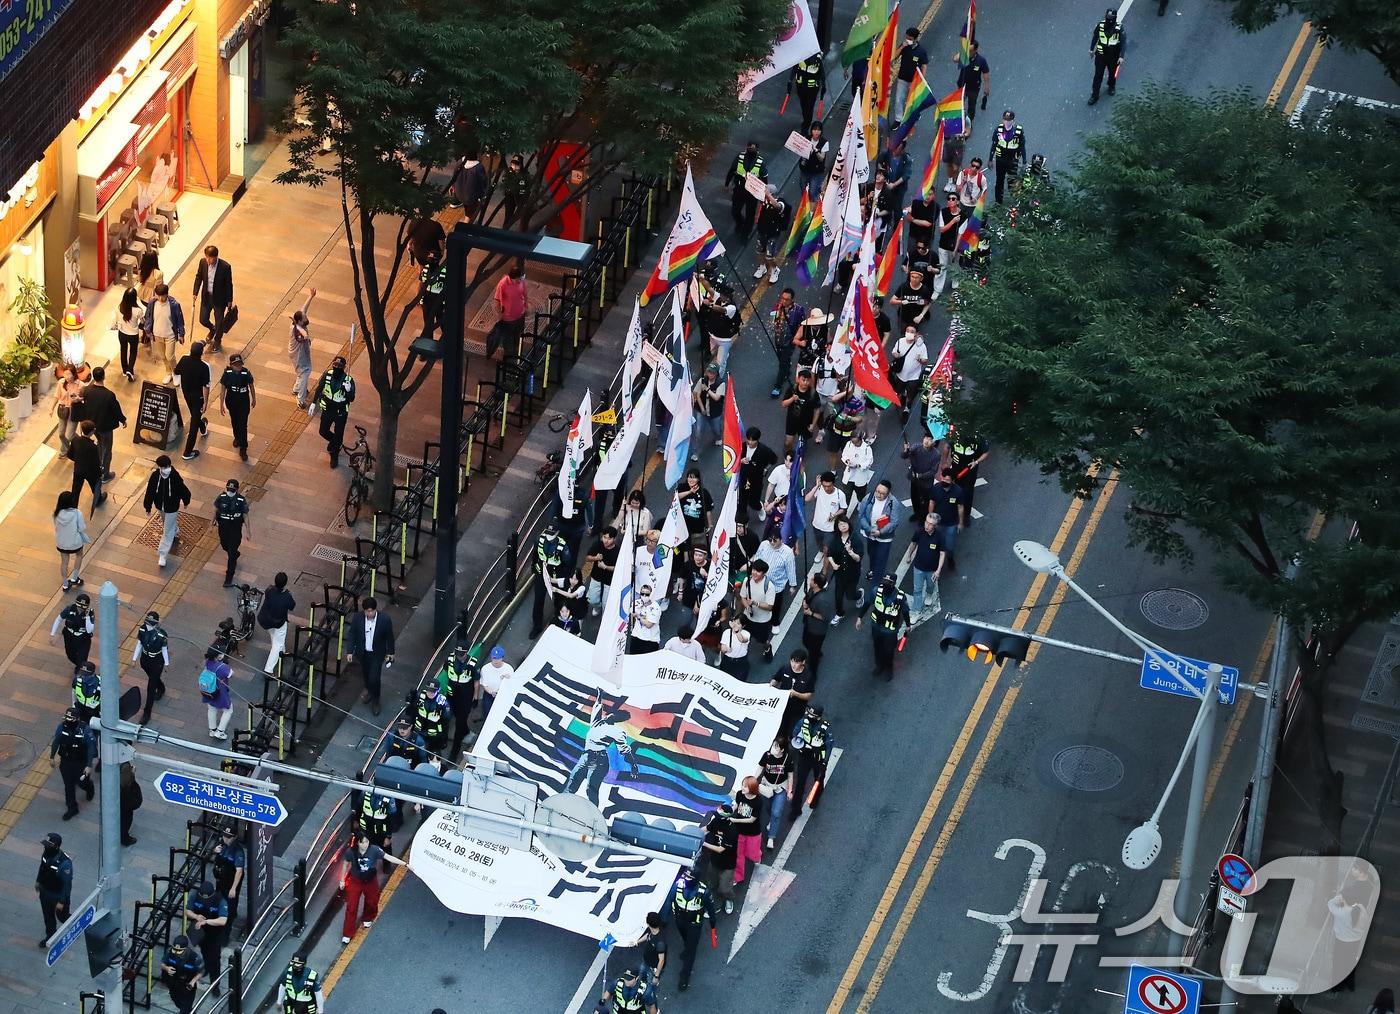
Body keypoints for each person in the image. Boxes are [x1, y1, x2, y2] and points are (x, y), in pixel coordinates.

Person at [341, 832, 406, 944]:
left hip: (370, 881)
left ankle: (367, 917)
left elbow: (388, 857)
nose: (365, 844)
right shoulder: (351, 852)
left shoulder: (374, 850)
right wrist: (342, 880)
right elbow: (345, 864)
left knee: (372, 901)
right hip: (355, 881)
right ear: (358, 843)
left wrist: (404, 864)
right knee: (351, 906)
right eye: (363, 842)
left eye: (367, 842)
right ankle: (347, 933)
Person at [564, 708, 638, 804]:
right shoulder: (596, 723)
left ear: (616, 717)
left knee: (591, 789)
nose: (607, 715)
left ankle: (592, 815)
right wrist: (600, 694)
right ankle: (561, 805)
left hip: (599, 760)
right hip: (585, 756)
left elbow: (624, 750)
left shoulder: (617, 731)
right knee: (572, 781)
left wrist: (633, 764)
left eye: (612, 715)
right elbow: (597, 706)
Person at [669, 866, 718, 992]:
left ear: (696, 879)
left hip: (694, 924)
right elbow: (670, 900)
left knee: (691, 950)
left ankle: (685, 976)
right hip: (680, 920)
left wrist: (713, 925)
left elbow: (711, 910)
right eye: (685, 876)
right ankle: (687, 948)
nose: (686, 879)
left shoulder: (704, 892)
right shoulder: (678, 885)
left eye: (690, 877)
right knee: (686, 940)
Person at [857, 480, 907, 602]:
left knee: (881, 559)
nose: (878, 495)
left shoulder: (893, 503)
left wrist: (881, 532)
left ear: (888, 493)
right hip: (870, 533)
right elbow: (861, 515)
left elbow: (894, 522)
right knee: (872, 553)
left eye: (882, 493)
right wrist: (869, 529)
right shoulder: (869, 498)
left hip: (884, 537)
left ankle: (875, 587)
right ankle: (873, 570)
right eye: (877, 491)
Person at [857, 575, 910, 679]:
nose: (885, 584)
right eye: (884, 581)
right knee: (877, 647)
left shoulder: (900, 597)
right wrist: (860, 617)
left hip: (890, 630)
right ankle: (879, 666)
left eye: (888, 582)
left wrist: (908, 625)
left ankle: (888, 669)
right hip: (876, 627)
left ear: (893, 584)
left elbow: (905, 612)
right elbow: (867, 603)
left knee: (889, 651)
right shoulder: (877, 591)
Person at [143, 455, 191, 567]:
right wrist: (148, 506)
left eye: (167, 466)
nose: (166, 468)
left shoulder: (175, 476)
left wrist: (186, 500)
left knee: (167, 531)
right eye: (164, 467)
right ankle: (174, 530)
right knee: (167, 524)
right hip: (160, 506)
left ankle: (162, 554)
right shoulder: (155, 476)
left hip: (172, 507)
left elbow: (182, 489)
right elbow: (150, 491)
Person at [349, 597, 395, 715]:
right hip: (362, 653)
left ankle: (376, 700)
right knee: (366, 674)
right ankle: (369, 690)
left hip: (377, 654)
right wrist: (350, 651)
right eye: (367, 611)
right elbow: (352, 634)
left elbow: (389, 637)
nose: (369, 614)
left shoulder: (384, 620)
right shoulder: (358, 618)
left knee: (374, 678)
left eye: (371, 611)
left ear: (375, 610)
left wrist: (391, 652)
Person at [48, 708, 95, 820]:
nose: (68, 720)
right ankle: (72, 808)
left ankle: (89, 787)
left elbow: (91, 748)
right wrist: (52, 757)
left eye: (71, 718)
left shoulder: (84, 730)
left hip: (81, 762)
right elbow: (56, 741)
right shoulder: (62, 727)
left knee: (82, 782)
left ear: (77, 719)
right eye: (67, 717)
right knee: (68, 786)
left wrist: (88, 765)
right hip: (66, 761)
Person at [81, 367, 125, 481]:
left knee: (100, 445)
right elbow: (116, 409)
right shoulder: (108, 395)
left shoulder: (87, 390)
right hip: (105, 427)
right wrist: (123, 420)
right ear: (104, 376)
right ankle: (105, 474)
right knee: (107, 450)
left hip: (93, 426)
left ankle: (98, 465)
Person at [789, 703, 832, 818]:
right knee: (800, 783)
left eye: (812, 715)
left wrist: (825, 761)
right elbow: (795, 733)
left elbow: (829, 744)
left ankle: (815, 799)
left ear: (818, 717)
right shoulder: (803, 721)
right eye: (809, 713)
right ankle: (795, 809)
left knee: (818, 780)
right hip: (805, 756)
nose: (809, 716)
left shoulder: (825, 727)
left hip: (818, 758)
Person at [438, 643, 480, 760]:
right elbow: (446, 674)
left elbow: (476, 682)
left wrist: (475, 698)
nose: (459, 657)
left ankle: (454, 752)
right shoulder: (450, 660)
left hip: (465, 697)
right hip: (452, 695)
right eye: (458, 654)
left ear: (466, 653)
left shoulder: (472, 663)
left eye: (462, 655)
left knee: (459, 725)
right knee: (448, 717)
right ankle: (463, 731)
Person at [184, 881, 229, 990]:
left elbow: (223, 920)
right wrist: (196, 916)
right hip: (201, 933)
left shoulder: (220, 900)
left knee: (215, 959)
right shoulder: (195, 895)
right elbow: (187, 910)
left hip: (215, 934)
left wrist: (207, 921)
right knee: (205, 953)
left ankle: (215, 985)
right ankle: (207, 967)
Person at [315, 355, 356, 467]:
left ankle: (334, 454)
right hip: (328, 409)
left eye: (340, 366)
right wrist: (314, 403)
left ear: (344, 367)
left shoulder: (348, 380)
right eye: (335, 365)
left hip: (340, 412)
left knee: (339, 433)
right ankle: (335, 442)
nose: (337, 367)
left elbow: (351, 398)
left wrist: (348, 391)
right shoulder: (327, 374)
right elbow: (320, 387)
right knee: (323, 431)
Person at [173, 340, 211, 460]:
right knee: (194, 424)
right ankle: (187, 452)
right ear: (201, 353)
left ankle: (203, 426)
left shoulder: (184, 360)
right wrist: (205, 402)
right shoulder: (204, 366)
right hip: (198, 397)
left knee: (195, 415)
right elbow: (206, 386)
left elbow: (176, 371)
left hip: (187, 394)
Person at [192, 245, 235, 351]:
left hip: (219, 299)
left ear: (216, 257)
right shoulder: (203, 262)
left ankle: (217, 341)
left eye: (211, 258)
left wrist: (229, 300)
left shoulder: (225, 267)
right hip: (207, 297)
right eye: (207, 257)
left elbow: (229, 284)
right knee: (203, 319)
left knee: (219, 322)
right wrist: (195, 292)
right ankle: (212, 329)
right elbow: (199, 277)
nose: (209, 260)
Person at [531, 521, 568, 639]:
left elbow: (567, 564)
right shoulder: (540, 540)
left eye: (552, 533)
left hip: (556, 577)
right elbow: (535, 555)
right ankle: (537, 626)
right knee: (538, 601)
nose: (549, 536)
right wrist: (534, 568)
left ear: (557, 533)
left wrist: (563, 581)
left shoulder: (563, 546)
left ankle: (559, 624)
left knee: (559, 600)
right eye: (548, 532)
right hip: (542, 575)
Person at [143, 283, 186, 383]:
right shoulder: (152, 303)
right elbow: (148, 317)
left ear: (167, 294)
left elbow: (180, 320)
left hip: (170, 335)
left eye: (162, 296)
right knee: (162, 356)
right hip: (157, 334)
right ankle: (168, 372)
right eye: (158, 295)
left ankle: (176, 373)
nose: (160, 298)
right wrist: (148, 330)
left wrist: (181, 334)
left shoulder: (174, 305)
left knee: (170, 356)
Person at [757, 735, 795, 848]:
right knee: (769, 808)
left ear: (782, 750)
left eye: (776, 747)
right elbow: (760, 767)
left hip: (780, 788)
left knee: (776, 812)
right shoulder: (767, 755)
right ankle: (771, 821)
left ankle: (771, 837)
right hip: (767, 786)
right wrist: (754, 779)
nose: (773, 748)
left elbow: (790, 775)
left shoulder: (787, 759)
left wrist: (790, 790)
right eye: (773, 745)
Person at [35, 831, 73, 945]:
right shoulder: (46, 853)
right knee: (48, 917)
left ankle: (75, 922)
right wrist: (38, 881)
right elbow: (42, 867)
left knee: (63, 917)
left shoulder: (65, 863)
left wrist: (61, 901)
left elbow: (67, 885)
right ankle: (50, 937)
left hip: (58, 896)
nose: (45, 847)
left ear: (56, 846)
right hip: (45, 892)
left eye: (48, 845)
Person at [724, 140, 766, 241]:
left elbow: (764, 179)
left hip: (752, 193)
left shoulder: (760, 162)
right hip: (739, 189)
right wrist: (727, 184)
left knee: (750, 216)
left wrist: (763, 195)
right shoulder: (740, 157)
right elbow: (731, 170)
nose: (751, 150)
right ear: (746, 148)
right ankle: (740, 223)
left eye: (753, 148)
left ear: (757, 150)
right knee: (735, 211)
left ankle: (745, 235)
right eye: (750, 148)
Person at [218, 353, 256, 461]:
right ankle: (237, 438)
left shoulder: (245, 372)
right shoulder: (227, 373)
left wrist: (254, 398)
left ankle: (243, 447)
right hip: (232, 400)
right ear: (231, 365)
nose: (238, 367)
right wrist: (221, 404)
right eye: (236, 365)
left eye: (240, 364)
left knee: (243, 424)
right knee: (234, 421)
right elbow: (223, 389)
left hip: (243, 401)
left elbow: (251, 385)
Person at [134, 610, 170, 724]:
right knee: (153, 678)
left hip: (157, 661)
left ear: (156, 624)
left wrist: (167, 664)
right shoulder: (142, 629)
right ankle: (161, 687)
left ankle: (147, 712)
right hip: (145, 659)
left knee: (151, 687)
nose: (148, 625)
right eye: (147, 622)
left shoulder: (161, 634)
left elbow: (164, 649)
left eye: (151, 623)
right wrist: (134, 658)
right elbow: (139, 643)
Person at [214, 478, 252, 587]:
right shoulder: (221, 498)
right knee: (225, 546)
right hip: (223, 529)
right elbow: (216, 510)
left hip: (235, 531)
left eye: (232, 490)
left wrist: (249, 532)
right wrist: (212, 524)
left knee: (231, 554)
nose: (230, 492)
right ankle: (235, 554)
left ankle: (229, 578)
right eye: (229, 489)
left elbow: (245, 515)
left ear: (237, 490)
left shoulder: (241, 501)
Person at [257, 572, 297, 674]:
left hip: (265, 620)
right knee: (277, 644)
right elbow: (292, 606)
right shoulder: (287, 596)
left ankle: (282, 651)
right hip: (279, 622)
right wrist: (288, 593)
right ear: (285, 583)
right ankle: (268, 669)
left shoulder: (269, 590)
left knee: (274, 635)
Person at [827, 514, 863, 623]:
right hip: (840, 574)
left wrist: (850, 552)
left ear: (849, 524)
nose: (843, 526)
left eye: (844, 523)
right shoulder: (836, 539)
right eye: (840, 524)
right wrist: (833, 564)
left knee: (850, 595)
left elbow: (858, 558)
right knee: (838, 595)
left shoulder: (855, 539)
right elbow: (829, 554)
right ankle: (839, 613)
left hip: (852, 573)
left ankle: (860, 595)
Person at [770, 648, 816, 735]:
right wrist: (772, 684)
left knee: (792, 732)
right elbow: (776, 679)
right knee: (779, 730)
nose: (793, 664)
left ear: (803, 662)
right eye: (792, 661)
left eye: (797, 662)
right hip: (782, 706)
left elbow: (809, 695)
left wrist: (796, 694)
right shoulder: (785, 669)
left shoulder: (808, 676)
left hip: (797, 710)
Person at [740, 559, 778, 663]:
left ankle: (767, 648)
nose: (754, 573)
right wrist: (747, 606)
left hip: (762, 621)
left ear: (764, 573)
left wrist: (756, 604)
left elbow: (770, 606)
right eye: (753, 570)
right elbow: (743, 597)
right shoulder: (747, 581)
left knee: (762, 641)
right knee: (743, 635)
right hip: (748, 617)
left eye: (758, 571)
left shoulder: (769, 586)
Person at [487, 261, 528, 358]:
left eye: (520, 278)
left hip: (520, 316)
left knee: (517, 337)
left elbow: (524, 294)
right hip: (508, 319)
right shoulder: (503, 284)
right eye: (518, 279)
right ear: (512, 278)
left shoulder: (521, 281)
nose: (519, 281)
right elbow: (496, 300)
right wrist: (499, 315)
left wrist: (525, 307)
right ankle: (509, 359)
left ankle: (516, 353)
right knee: (508, 342)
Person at [949, 432, 990, 526]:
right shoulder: (955, 433)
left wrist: (976, 462)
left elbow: (986, 452)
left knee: (968, 493)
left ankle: (966, 515)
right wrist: (945, 461)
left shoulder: (977, 436)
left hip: (970, 470)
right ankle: (955, 512)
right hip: (956, 468)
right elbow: (948, 445)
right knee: (955, 490)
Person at [52, 491, 90, 592]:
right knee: (79, 555)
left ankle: (65, 584)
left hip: (61, 542)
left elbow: (56, 527)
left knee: (64, 562)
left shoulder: (56, 513)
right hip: (75, 543)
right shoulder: (77, 513)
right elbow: (81, 528)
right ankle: (75, 578)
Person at [738, 427, 778, 521]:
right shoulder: (742, 446)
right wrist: (740, 461)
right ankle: (742, 521)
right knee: (742, 501)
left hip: (756, 480)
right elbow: (734, 459)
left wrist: (765, 468)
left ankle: (759, 508)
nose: (750, 442)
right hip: (743, 477)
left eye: (753, 440)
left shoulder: (764, 450)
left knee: (753, 502)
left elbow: (774, 459)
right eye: (748, 439)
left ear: (757, 439)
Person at [890, 325, 929, 421]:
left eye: (912, 331)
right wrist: (896, 355)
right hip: (900, 374)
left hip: (913, 376)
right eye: (908, 331)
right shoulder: (900, 341)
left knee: (911, 394)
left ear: (916, 334)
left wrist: (920, 359)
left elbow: (925, 360)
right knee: (898, 390)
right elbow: (894, 352)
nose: (909, 333)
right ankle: (902, 397)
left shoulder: (921, 346)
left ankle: (907, 409)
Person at [903, 432, 942, 526]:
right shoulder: (916, 447)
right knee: (914, 497)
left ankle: (923, 517)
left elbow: (933, 471)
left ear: (934, 442)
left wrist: (920, 475)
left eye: (930, 439)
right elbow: (904, 456)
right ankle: (916, 514)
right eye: (926, 438)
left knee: (925, 501)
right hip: (914, 479)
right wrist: (906, 450)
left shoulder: (936, 454)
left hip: (926, 483)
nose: (927, 441)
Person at [1088, 8, 1125, 106]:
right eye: (1108, 17)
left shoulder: (1119, 28)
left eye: (1112, 17)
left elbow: (1123, 43)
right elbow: (1095, 37)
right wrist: (1091, 49)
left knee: (1113, 74)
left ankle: (1111, 85)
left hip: (1113, 56)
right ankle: (1094, 95)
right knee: (1098, 76)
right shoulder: (1100, 25)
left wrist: (1121, 56)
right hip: (1101, 55)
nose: (1110, 19)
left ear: (1115, 18)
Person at [752, 186, 789, 283]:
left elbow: (778, 206)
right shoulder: (763, 202)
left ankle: (774, 270)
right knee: (760, 252)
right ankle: (762, 267)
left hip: (772, 233)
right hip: (762, 231)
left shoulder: (781, 202)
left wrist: (768, 195)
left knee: (769, 256)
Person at [909, 513, 945, 612]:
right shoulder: (919, 531)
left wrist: (938, 570)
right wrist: (909, 555)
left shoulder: (940, 536)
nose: (927, 525)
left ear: (935, 526)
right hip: (918, 567)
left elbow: (942, 554)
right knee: (917, 590)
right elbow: (913, 543)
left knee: (930, 585)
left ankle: (929, 594)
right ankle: (916, 611)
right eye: (926, 522)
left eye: (930, 524)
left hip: (932, 569)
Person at [989, 109, 1027, 204]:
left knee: (1012, 182)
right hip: (1000, 160)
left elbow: (1022, 147)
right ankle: (998, 202)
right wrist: (990, 159)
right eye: (1005, 119)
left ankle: (1014, 201)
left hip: (1012, 161)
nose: (1007, 122)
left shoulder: (1018, 132)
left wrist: (1025, 161)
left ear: (1013, 121)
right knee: (999, 182)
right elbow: (994, 144)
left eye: (1009, 120)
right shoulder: (999, 130)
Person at [781, 368, 823, 452]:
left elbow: (817, 410)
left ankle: (799, 459)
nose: (805, 383)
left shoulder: (813, 393)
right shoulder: (792, 389)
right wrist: (792, 399)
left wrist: (813, 425)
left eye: (808, 380)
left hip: (806, 423)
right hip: (792, 420)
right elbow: (784, 404)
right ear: (798, 379)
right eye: (803, 380)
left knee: (802, 445)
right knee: (788, 443)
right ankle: (788, 457)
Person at [68, 420, 105, 513]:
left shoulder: (75, 440)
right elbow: (96, 463)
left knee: (75, 491)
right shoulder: (93, 447)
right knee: (95, 487)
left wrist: (78, 461)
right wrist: (100, 473)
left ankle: (73, 507)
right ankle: (98, 500)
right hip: (90, 472)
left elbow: (70, 454)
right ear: (92, 431)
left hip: (78, 470)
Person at [161, 934, 204, 1014]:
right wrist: (167, 968)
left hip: (187, 986)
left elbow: (201, 972)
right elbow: (162, 964)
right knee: (177, 1002)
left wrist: (193, 981)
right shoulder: (170, 951)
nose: (176, 953)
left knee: (184, 1010)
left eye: (179, 951)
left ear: (185, 949)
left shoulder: (194, 958)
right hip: (173, 984)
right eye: (175, 950)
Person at [50, 592, 94, 670]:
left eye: (83, 607)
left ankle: (81, 669)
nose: (80, 609)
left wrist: (87, 617)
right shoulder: (69, 608)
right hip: (69, 636)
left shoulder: (90, 613)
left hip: (83, 638)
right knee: (70, 655)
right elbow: (58, 619)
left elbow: (89, 630)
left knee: (82, 658)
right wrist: (52, 634)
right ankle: (81, 666)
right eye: (79, 606)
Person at [893, 28, 929, 123]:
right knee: (899, 99)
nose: (907, 40)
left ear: (915, 39)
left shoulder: (921, 51)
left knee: (912, 101)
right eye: (906, 37)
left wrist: (922, 79)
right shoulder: (904, 46)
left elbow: (924, 65)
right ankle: (898, 119)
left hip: (914, 81)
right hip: (902, 78)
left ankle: (911, 118)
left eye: (909, 38)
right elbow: (894, 56)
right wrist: (902, 47)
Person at [212, 826, 247, 924]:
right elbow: (214, 858)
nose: (225, 839)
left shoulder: (238, 851)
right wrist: (215, 851)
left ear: (234, 837)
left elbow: (239, 871)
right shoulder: (221, 844)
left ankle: (230, 916)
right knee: (219, 895)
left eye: (228, 837)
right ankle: (220, 912)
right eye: (225, 836)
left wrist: (233, 888)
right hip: (220, 877)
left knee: (230, 900)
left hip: (230, 880)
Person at [289, 288, 316, 409]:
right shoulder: (297, 331)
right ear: (299, 321)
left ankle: (296, 388)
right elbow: (305, 336)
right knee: (305, 372)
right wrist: (302, 331)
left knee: (301, 373)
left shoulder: (299, 322)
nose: (306, 318)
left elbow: (304, 309)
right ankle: (300, 399)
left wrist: (311, 296)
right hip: (299, 356)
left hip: (300, 353)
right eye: (304, 317)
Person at [934, 190, 963, 299]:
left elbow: (960, 234)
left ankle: (955, 284)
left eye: (953, 199)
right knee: (942, 266)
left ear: (958, 202)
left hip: (955, 246)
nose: (950, 201)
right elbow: (942, 230)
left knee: (955, 265)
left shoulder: (963, 216)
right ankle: (937, 289)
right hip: (943, 244)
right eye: (949, 199)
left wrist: (956, 249)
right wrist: (953, 221)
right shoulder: (943, 212)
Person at [200, 647, 234, 739]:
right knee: (228, 710)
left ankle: (212, 730)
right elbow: (230, 673)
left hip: (209, 690)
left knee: (211, 708)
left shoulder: (207, 662)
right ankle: (220, 732)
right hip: (220, 692)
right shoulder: (222, 667)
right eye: (222, 653)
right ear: (218, 656)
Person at [800, 572, 831, 672]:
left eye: (812, 579)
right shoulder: (812, 591)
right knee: (805, 641)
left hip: (817, 630)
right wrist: (804, 603)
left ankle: (813, 673)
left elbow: (825, 617)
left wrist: (810, 613)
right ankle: (816, 653)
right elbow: (807, 599)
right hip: (809, 625)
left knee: (813, 655)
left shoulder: (822, 600)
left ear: (816, 584)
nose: (810, 580)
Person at [788, 53, 825, 133]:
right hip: (801, 86)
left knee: (810, 107)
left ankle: (806, 125)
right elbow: (795, 67)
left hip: (812, 89)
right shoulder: (801, 54)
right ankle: (806, 119)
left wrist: (823, 86)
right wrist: (790, 80)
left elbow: (822, 72)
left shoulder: (818, 58)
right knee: (804, 105)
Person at [692, 363, 726, 448]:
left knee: (716, 429)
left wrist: (707, 389)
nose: (710, 374)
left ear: (716, 373)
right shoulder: (702, 380)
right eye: (709, 372)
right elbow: (697, 395)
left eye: (712, 373)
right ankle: (695, 451)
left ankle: (718, 438)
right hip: (702, 411)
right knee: (698, 431)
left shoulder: (721, 383)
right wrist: (702, 409)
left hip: (715, 412)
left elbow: (716, 398)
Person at [956, 39, 991, 121]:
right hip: (962, 86)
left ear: (976, 50)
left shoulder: (981, 61)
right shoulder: (964, 57)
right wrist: (963, 50)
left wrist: (986, 88)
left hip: (974, 88)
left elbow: (985, 74)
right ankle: (960, 121)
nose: (969, 53)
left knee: (972, 107)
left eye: (971, 51)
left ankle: (969, 122)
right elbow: (955, 59)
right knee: (959, 104)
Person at [413, 683, 451, 757]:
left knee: (433, 753)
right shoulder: (420, 696)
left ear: (438, 690)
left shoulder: (442, 702)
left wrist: (444, 738)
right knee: (416, 751)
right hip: (419, 730)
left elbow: (446, 721)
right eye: (429, 691)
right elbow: (413, 710)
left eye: (433, 691)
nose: (430, 693)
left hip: (434, 734)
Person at [53, 364, 83, 456]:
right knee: (61, 434)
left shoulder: (80, 384)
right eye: (65, 374)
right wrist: (52, 408)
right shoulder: (61, 382)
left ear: (74, 374)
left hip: (74, 410)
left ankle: (64, 451)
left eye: (69, 374)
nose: (66, 377)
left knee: (69, 436)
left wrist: (78, 399)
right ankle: (74, 446)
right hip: (63, 409)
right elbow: (56, 395)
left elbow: (83, 397)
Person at [113, 286, 142, 381]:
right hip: (133, 334)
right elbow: (143, 321)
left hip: (122, 333)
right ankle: (130, 369)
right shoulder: (138, 310)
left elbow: (116, 320)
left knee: (123, 350)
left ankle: (125, 370)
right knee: (133, 352)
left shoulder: (119, 307)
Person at [890, 267, 932, 331]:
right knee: (903, 332)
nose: (914, 279)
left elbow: (928, 303)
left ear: (921, 278)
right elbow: (892, 301)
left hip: (917, 317)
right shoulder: (904, 286)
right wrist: (901, 302)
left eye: (916, 277)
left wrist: (921, 315)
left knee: (915, 333)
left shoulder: (925, 290)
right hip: (904, 316)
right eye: (912, 277)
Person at [678, 469, 715, 542]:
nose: (691, 480)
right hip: (682, 528)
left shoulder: (704, 492)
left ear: (698, 479)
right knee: (684, 551)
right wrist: (689, 492)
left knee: (697, 548)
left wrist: (710, 525)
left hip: (698, 530)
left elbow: (708, 510)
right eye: (689, 477)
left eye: (694, 477)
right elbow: (676, 498)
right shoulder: (682, 487)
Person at [479, 645, 512, 725]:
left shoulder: (509, 669)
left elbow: (511, 684)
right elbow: (484, 685)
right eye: (494, 658)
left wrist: (508, 679)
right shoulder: (485, 668)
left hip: (503, 695)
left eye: (498, 658)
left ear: (502, 658)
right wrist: (491, 692)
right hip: (489, 695)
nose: (496, 661)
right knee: (487, 712)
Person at [450, 150, 489, 218]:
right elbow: (483, 183)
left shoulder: (460, 162)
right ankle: (466, 224)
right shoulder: (478, 167)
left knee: (466, 206)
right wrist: (483, 195)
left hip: (459, 193)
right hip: (471, 197)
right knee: (469, 214)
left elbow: (454, 177)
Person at [798, 121, 829, 198]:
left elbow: (822, 158)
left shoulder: (824, 142)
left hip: (816, 171)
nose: (816, 132)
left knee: (813, 191)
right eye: (814, 129)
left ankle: (813, 206)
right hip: (805, 169)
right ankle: (805, 204)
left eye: (818, 130)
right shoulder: (807, 139)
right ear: (811, 130)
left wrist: (815, 150)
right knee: (803, 187)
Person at [418, 250, 445, 338]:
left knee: (434, 323)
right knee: (436, 322)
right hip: (435, 300)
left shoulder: (427, 269)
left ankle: (441, 339)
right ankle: (441, 339)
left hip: (433, 300)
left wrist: (420, 300)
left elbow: (422, 284)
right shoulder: (443, 270)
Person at [628, 585, 662, 653]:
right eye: (642, 593)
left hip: (650, 640)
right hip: (636, 636)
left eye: (647, 594)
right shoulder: (636, 603)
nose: (644, 595)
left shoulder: (655, 607)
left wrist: (638, 616)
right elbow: (631, 613)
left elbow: (649, 625)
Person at [717, 614, 751, 681]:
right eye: (734, 621)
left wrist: (737, 631)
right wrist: (725, 649)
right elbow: (722, 647)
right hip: (727, 661)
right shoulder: (726, 632)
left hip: (740, 662)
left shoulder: (746, 633)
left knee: (739, 682)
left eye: (738, 623)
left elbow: (742, 640)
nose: (735, 624)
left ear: (743, 626)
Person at [500, 154, 530, 224]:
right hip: (510, 198)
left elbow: (527, 187)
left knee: (523, 216)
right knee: (508, 216)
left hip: (520, 198)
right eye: (513, 163)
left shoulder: (525, 174)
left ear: (521, 164)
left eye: (516, 164)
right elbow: (505, 184)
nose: (514, 166)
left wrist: (524, 197)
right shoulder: (509, 173)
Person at [640, 911, 668, 987]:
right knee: (642, 978)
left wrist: (656, 976)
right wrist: (637, 942)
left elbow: (661, 960)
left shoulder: (660, 942)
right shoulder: (653, 930)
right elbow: (647, 935)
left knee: (650, 985)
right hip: (646, 961)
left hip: (653, 968)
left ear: (649, 924)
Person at [119, 761, 143, 846]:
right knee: (125, 819)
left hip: (117, 796)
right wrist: (132, 773)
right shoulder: (124, 765)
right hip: (124, 799)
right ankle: (124, 838)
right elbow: (126, 782)